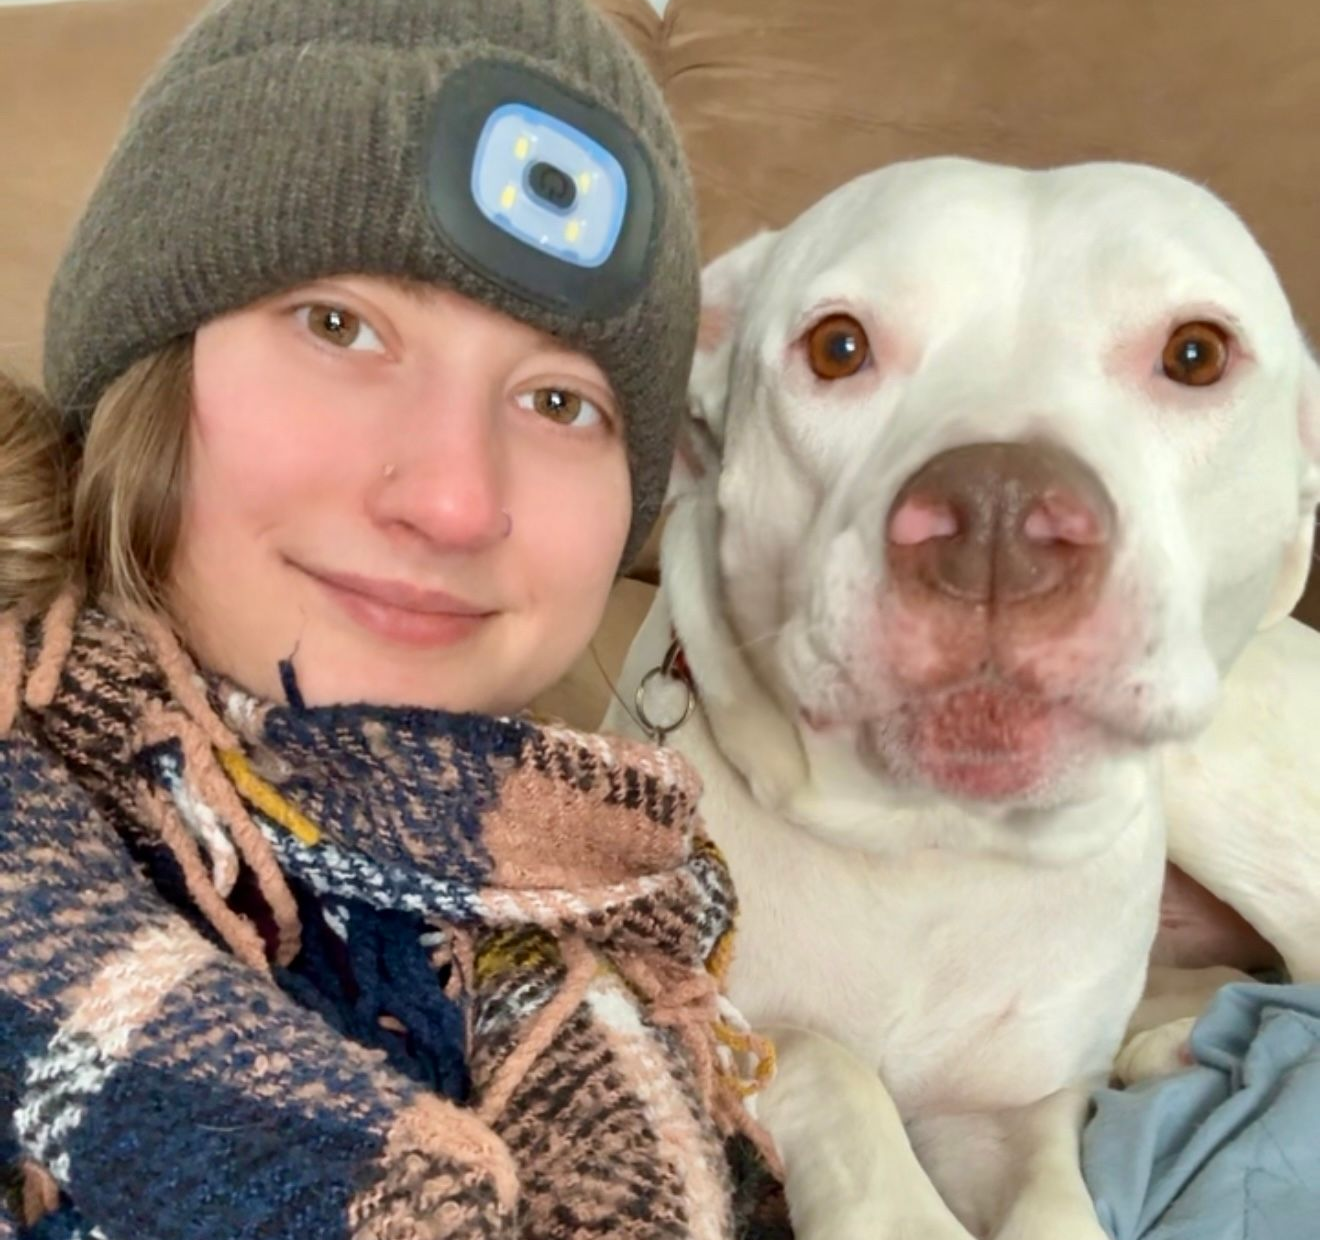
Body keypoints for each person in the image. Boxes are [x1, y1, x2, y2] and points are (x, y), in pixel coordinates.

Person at [0, 0, 790, 1235]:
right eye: (340, 326)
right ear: (144, 371)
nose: (454, 499)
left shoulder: (613, 918)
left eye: (558, 400)